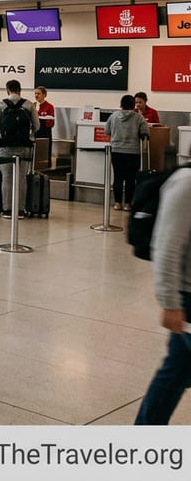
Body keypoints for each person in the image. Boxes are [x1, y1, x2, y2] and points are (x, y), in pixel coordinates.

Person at [134, 164, 191, 425]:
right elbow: (166, 247)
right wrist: (170, 303)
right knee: (175, 373)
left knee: (177, 372)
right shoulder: (186, 182)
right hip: (188, 295)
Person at [0, 79, 39, 218]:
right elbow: (37, 126)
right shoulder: (29, 104)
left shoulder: (1, 104)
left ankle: (7, 210)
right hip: (24, 146)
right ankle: (20, 210)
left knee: (6, 178)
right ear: (20, 90)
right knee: (21, 178)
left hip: (6, 146)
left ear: (7, 90)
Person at [105, 94, 148, 211]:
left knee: (118, 177)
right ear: (133, 104)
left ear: (121, 104)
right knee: (130, 179)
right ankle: (128, 204)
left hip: (116, 150)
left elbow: (107, 130)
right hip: (133, 152)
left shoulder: (113, 116)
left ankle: (117, 203)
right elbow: (145, 132)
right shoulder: (138, 117)